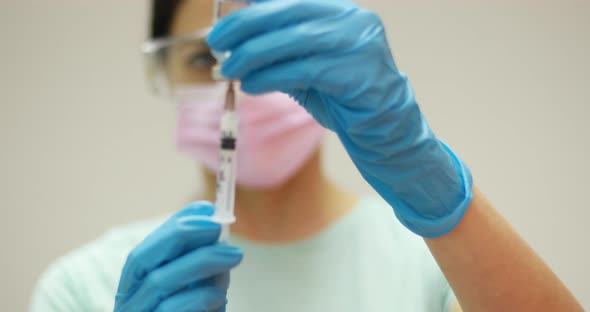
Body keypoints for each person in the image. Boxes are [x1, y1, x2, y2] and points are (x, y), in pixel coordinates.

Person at [31, 0, 584, 311]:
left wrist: (439, 195)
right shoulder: (86, 287)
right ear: (163, 74)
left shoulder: (435, 266)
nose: (240, 84)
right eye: (206, 58)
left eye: (277, 55)